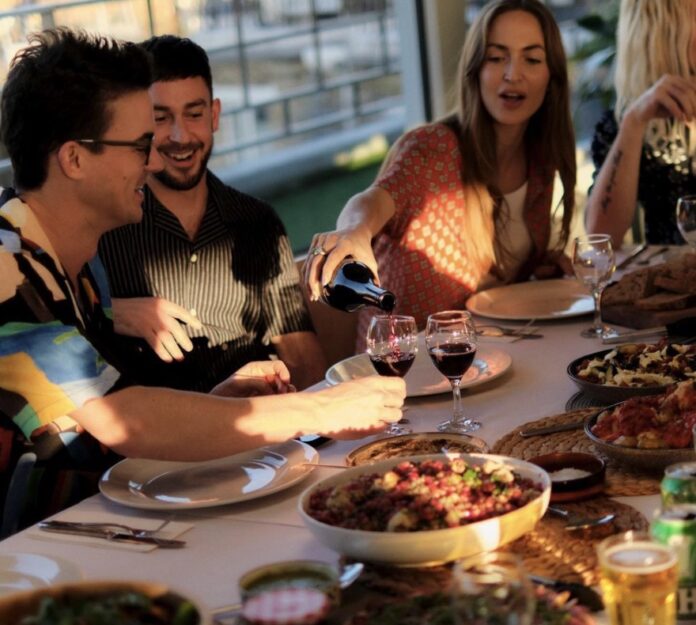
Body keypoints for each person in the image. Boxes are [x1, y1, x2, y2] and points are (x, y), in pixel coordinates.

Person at [0, 28, 404, 528]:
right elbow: (125, 418)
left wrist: (211, 406)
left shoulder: (74, 266)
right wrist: (318, 409)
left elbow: (92, 435)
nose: (154, 160)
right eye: (139, 144)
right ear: (74, 158)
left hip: (89, 532)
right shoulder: (8, 267)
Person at [304, 0, 576, 348]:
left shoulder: (541, 160)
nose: (513, 73)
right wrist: (355, 231)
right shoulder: (432, 149)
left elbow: (498, 284)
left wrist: (541, 269)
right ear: (475, 69)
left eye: (532, 59)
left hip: (487, 362)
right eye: (496, 57)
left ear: (551, 76)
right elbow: (371, 201)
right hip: (401, 372)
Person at [97, 35, 326, 393]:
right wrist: (116, 313)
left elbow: (305, 363)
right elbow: (64, 341)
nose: (180, 135)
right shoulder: (104, 226)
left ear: (215, 115)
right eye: (161, 118)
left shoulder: (258, 222)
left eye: (194, 114)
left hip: (258, 432)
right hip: (160, 441)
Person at [586, 0, 696, 247]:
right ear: (662, 33)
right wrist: (634, 123)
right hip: (673, 280)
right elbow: (601, 237)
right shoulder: (624, 124)